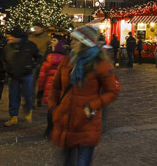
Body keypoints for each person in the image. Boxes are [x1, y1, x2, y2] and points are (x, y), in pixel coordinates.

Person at [48, 25, 120, 166]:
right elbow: (55, 88)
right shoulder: (67, 61)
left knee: (82, 162)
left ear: (86, 42)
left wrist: (93, 105)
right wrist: (53, 108)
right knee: (66, 162)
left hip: (86, 122)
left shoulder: (101, 64)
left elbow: (112, 91)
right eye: (72, 39)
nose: (72, 42)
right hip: (65, 120)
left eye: (76, 40)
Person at [3, 28, 41, 126]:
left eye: (11, 36)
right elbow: (4, 59)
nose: (9, 38)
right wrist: (7, 68)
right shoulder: (8, 47)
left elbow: (38, 57)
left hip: (26, 74)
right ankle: (13, 116)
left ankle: (28, 110)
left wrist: (32, 65)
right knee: (13, 96)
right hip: (13, 75)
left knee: (27, 94)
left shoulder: (30, 45)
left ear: (18, 37)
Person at [38, 37, 67, 105]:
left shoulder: (50, 56)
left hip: (50, 81)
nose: (52, 42)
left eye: (54, 40)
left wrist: (40, 88)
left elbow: (43, 73)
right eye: (52, 40)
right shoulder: (50, 50)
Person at [29, 23, 52, 107]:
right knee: (32, 83)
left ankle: (39, 98)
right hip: (32, 62)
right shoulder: (30, 37)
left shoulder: (47, 38)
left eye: (37, 28)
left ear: (42, 29)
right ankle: (31, 102)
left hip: (43, 62)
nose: (35, 30)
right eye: (34, 28)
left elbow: (49, 50)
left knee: (42, 82)